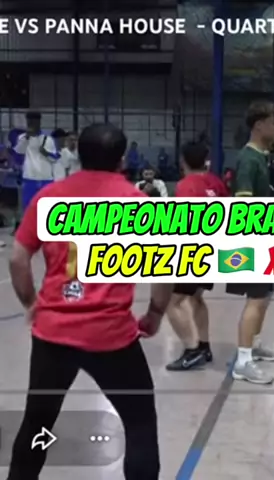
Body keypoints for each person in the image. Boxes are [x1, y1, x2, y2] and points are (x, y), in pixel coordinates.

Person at [7, 123, 173, 480]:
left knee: (38, 422)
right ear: (122, 159)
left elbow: (18, 258)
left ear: (79, 155)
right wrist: (155, 312)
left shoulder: (50, 197)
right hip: (111, 336)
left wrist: (31, 303)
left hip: (54, 334)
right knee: (140, 423)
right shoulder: (139, 204)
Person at [226, 100, 274, 385]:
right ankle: (243, 361)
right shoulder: (248, 160)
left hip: (265, 240)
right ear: (259, 125)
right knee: (257, 298)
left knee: (265, 296)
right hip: (252, 241)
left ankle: (254, 345)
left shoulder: (262, 157)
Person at [166, 140, 228, 371]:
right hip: (213, 250)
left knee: (171, 302)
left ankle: (192, 352)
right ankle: (204, 346)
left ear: (183, 161)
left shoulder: (185, 186)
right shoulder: (216, 183)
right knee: (195, 298)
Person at [13, 111, 58, 212]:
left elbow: (55, 159)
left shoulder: (48, 139)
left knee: (48, 208)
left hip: (46, 178)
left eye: (34, 122)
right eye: (29, 122)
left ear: (39, 122)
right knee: (28, 208)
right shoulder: (22, 138)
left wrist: (46, 153)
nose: (31, 124)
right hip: (29, 178)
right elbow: (18, 153)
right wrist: (26, 138)